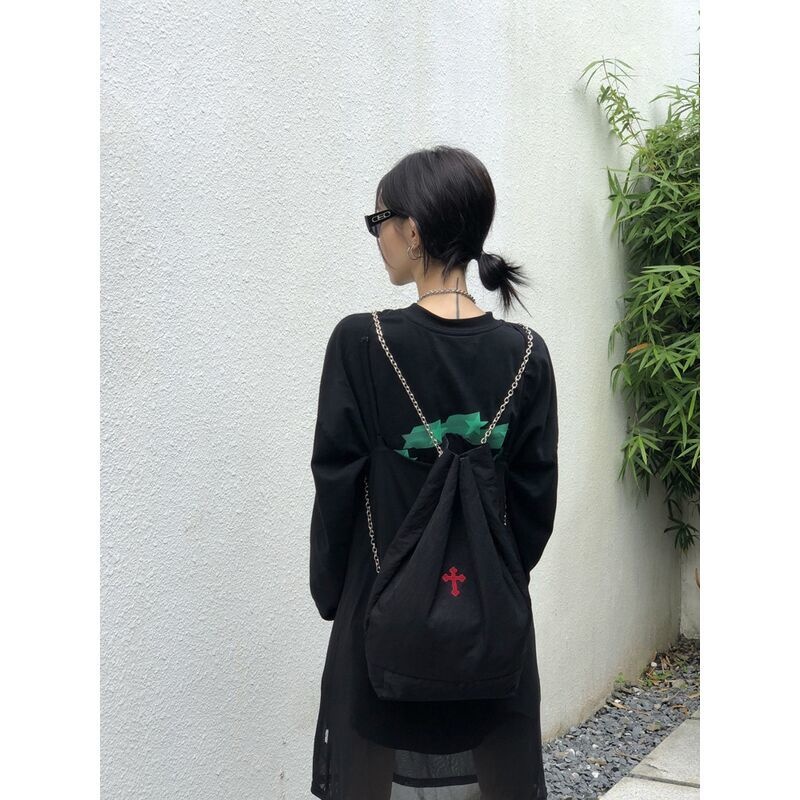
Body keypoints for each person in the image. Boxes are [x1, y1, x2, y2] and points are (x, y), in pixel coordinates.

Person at [309, 145, 559, 799]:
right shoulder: (527, 354)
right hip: (490, 619)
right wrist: (485, 583)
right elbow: (534, 504)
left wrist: (334, 593)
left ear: (413, 231)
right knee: (500, 769)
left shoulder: (362, 342)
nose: (377, 237)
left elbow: (335, 486)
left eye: (379, 222)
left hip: (379, 611)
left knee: (365, 771)